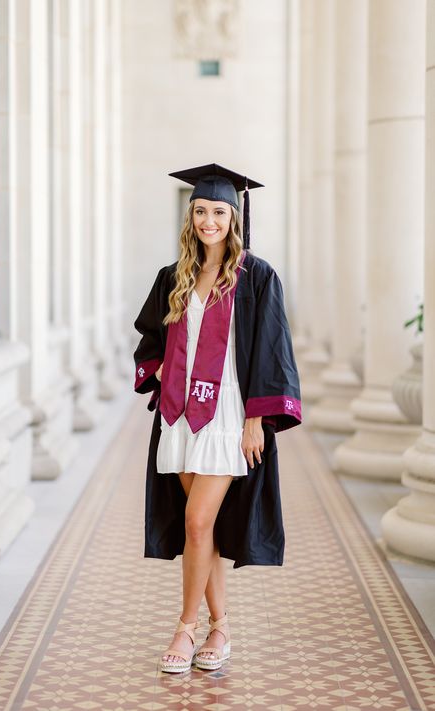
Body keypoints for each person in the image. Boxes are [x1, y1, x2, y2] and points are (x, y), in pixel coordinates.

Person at [133, 163, 302, 674]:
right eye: (201, 211)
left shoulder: (257, 276)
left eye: (219, 212)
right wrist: (162, 373)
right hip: (180, 415)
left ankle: (185, 628)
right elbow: (151, 339)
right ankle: (220, 628)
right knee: (197, 531)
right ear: (191, 217)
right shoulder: (174, 276)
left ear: (235, 217)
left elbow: (272, 348)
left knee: (198, 519)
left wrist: (257, 418)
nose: (210, 221)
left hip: (227, 412)